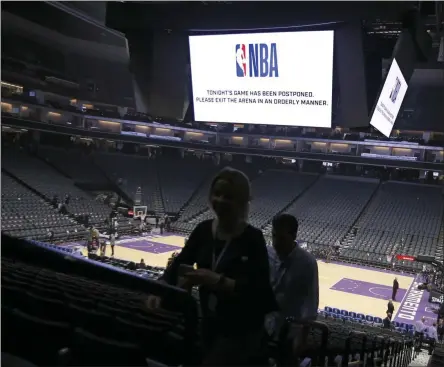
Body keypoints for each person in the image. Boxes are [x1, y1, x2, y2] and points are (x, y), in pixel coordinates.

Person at [145, 167, 276, 366]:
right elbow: (180, 263)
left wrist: (218, 281)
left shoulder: (253, 238)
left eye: (229, 196)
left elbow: (260, 293)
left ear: (242, 202)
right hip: (208, 321)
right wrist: (160, 289)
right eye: (217, 194)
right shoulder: (203, 230)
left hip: (242, 330)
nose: (221, 200)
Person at [267, 214, 319, 364]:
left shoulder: (307, 263)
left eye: (281, 238)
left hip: (289, 334)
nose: (276, 242)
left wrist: (301, 338)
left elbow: (311, 304)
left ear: (294, 235)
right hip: (264, 328)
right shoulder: (267, 253)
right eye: (274, 236)